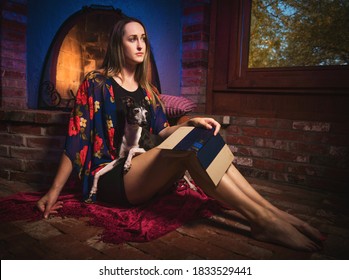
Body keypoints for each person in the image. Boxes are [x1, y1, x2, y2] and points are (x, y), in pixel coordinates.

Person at [37, 16, 324, 252]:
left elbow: (163, 131)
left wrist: (193, 122)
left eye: (143, 38)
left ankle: (271, 213)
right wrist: (53, 192)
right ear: (117, 43)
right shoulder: (96, 83)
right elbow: (76, 141)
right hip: (110, 176)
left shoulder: (148, 91)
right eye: (132, 38)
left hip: (140, 169)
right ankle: (262, 220)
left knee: (205, 137)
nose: (140, 45)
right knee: (188, 150)